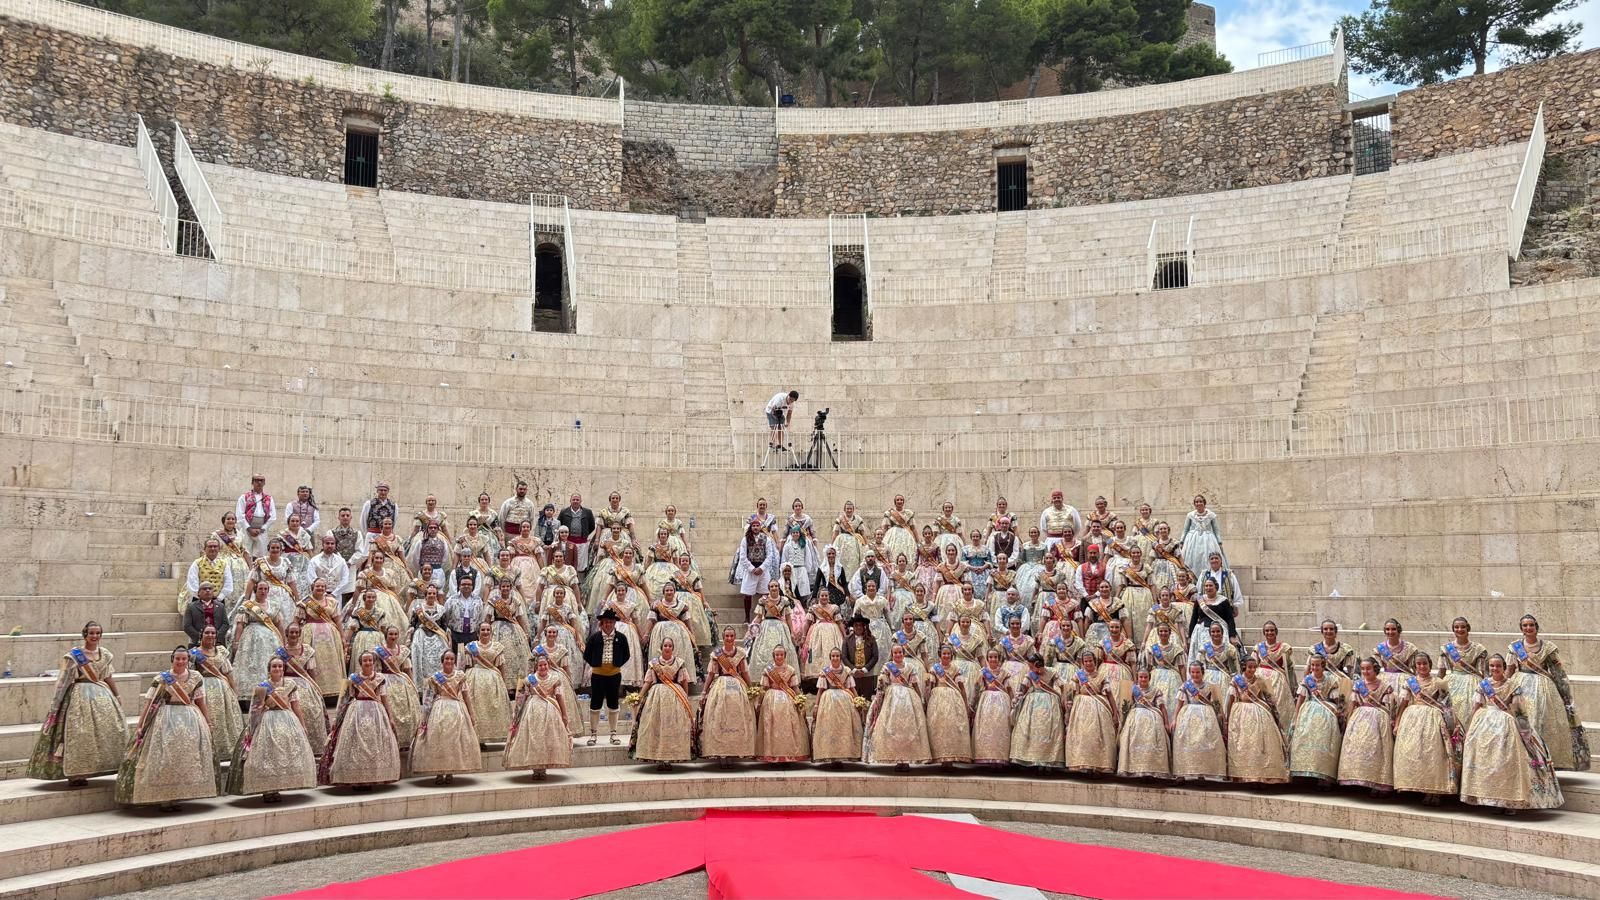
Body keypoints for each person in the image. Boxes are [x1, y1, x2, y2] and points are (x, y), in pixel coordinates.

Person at [114, 647, 218, 809]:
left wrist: (208, 722)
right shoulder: (162, 679)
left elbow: (201, 702)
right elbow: (149, 704)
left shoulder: (196, 677)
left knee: (184, 759)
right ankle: (165, 798)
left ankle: (179, 794)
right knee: (166, 758)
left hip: (190, 719)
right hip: (165, 719)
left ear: (188, 660)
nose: (181, 661)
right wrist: (141, 725)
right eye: (178, 658)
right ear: (172, 659)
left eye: (184, 659)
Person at [1459, 654, 1564, 811]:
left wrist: (1526, 733)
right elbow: (1476, 707)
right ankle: (1491, 798)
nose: (1495, 669)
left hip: (1507, 725)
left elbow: (1519, 711)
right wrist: (1470, 729)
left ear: (1504, 667)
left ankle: (1511, 802)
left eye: (1498, 666)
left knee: (1506, 762)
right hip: (1484, 723)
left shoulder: (1513, 685)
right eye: (1492, 666)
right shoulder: (1483, 685)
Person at [28, 621, 128, 784]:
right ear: (85, 635)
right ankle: (76, 774)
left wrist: (117, 694)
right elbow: (63, 680)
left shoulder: (106, 655)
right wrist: (56, 703)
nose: (94, 636)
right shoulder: (75, 655)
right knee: (80, 735)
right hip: (78, 697)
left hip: (103, 696)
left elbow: (108, 676)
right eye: (91, 633)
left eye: (98, 633)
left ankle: (98, 768)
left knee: (108, 732)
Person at [227, 656, 317, 802]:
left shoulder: (290, 684)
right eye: (274, 666)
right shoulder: (262, 687)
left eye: (280, 666)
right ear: (269, 670)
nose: (277, 669)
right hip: (266, 721)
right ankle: (268, 790)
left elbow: (296, 706)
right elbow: (255, 710)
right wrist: (252, 727)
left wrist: (303, 725)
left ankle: (280, 785)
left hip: (288, 720)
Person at [1509, 613, 1590, 771]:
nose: (1528, 628)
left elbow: (1558, 673)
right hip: (1520, 686)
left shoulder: (1548, 647)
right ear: (1521, 629)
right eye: (1525, 625)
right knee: (1523, 723)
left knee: (1542, 723)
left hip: (1544, 689)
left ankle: (1542, 762)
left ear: (1536, 627)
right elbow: (1509, 672)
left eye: (1531, 625)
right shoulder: (1514, 648)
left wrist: (1566, 695)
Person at [320, 650, 402, 789]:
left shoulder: (380, 678)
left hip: (376, 712)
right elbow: (345, 698)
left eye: (370, 660)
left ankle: (373, 777)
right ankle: (356, 778)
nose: (368, 663)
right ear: (360, 663)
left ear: (374, 662)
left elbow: (384, 699)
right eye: (365, 660)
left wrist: (390, 717)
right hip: (356, 712)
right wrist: (338, 718)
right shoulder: (353, 678)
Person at [1392, 653, 1457, 803]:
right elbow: (1403, 704)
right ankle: (1419, 787)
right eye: (1418, 664)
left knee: (1434, 755)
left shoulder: (1440, 683)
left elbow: (1447, 706)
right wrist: (1398, 722)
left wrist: (1450, 725)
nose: (1422, 667)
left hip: (1433, 720)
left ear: (1430, 664)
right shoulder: (1410, 683)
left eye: (1424, 664)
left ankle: (1435, 790)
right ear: (1415, 666)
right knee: (1416, 754)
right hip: (1412, 720)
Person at [410, 650, 482, 784]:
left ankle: (450, 771)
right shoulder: (435, 678)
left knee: (453, 743)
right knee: (439, 742)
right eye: (446, 659)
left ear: (454, 661)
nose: (449, 661)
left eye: (451, 659)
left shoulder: (460, 676)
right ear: (442, 661)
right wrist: (424, 717)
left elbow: (466, 696)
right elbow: (428, 699)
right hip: (439, 710)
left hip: (457, 710)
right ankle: (439, 772)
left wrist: (472, 714)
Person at [630, 638, 695, 769]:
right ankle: (659, 758)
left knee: (672, 727)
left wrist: (685, 698)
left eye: (670, 645)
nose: (667, 647)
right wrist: (639, 696)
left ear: (673, 648)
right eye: (665, 645)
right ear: (661, 647)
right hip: (656, 697)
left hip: (676, 697)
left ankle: (670, 758)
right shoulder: (654, 664)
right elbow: (648, 682)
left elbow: (684, 682)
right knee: (656, 726)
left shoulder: (679, 663)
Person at [505, 656, 572, 780]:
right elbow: (520, 698)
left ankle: (543, 767)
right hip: (532, 711)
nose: (543, 667)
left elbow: (559, 697)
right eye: (540, 665)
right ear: (536, 666)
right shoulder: (529, 679)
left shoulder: (555, 679)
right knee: (534, 739)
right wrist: (517, 713)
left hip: (550, 711)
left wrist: (564, 714)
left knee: (546, 739)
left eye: (545, 665)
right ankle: (536, 769)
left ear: (548, 665)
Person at [864, 644, 931, 769]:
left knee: (907, 729)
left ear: (903, 653)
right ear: (892, 654)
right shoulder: (887, 666)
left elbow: (915, 685)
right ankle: (895, 758)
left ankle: (905, 759)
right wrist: (882, 680)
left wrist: (920, 699)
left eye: (900, 652)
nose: (898, 655)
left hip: (908, 699)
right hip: (891, 698)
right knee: (891, 728)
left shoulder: (910, 667)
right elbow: (883, 679)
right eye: (895, 653)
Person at [1337, 657, 1396, 793]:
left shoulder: (1385, 686)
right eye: (1363, 669)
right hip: (1360, 718)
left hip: (1379, 719)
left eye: (1368, 668)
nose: (1365, 671)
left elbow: (1390, 706)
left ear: (1375, 669)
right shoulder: (1358, 685)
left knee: (1377, 750)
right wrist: (1348, 719)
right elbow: (1353, 703)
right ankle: (1360, 778)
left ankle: (1378, 782)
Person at [1227, 656, 1289, 784]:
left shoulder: (1261, 680)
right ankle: (1244, 775)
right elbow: (1231, 698)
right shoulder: (1236, 680)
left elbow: (1269, 698)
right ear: (1244, 667)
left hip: (1259, 713)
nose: (1252, 669)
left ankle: (1261, 775)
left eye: (1254, 667)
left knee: (1260, 743)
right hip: (1241, 712)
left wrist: (1274, 712)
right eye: (1250, 667)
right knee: (1244, 743)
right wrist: (1228, 716)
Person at [699, 626, 757, 763]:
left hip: (738, 687)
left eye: (732, 636)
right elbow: (711, 675)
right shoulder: (716, 654)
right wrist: (703, 692)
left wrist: (751, 689)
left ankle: (733, 753)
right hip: (720, 687)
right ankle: (721, 754)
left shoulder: (741, 654)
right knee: (719, 717)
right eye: (727, 636)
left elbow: (745, 673)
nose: (729, 639)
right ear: (723, 638)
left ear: (735, 637)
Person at [190, 629, 243, 767]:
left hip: (222, 690)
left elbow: (228, 673)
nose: (210, 635)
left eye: (213, 633)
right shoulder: (194, 653)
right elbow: (191, 675)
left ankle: (223, 751)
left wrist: (234, 692)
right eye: (207, 633)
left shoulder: (221, 652)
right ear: (201, 635)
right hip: (203, 690)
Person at [1288, 655, 1344, 784]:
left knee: (1323, 738)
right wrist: (1296, 716)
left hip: (1326, 711)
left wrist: (1340, 710)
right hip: (1309, 710)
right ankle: (1305, 771)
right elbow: (1300, 699)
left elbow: (1335, 699)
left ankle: (1323, 775)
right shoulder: (1307, 680)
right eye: (1312, 665)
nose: (1314, 667)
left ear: (1323, 666)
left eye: (1317, 665)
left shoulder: (1331, 680)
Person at [1065, 649, 1119, 774]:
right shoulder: (1078, 675)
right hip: (1081, 707)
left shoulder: (1102, 676)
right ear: (1083, 663)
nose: (1088, 664)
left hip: (1098, 707)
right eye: (1086, 661)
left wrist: (1115, 712)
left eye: (1090, 661)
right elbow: (1072, 692)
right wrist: (1068, 707)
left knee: (1097, 737)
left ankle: (1098, 767)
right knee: (1084, 735)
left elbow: (1109, 695)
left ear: (1095, 662)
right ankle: (1084, 765)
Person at [1172, 660, 1227, 782]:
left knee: (1203, 743)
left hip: (1206, 716)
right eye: (1192, 672)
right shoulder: (1185, 686)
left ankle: (1202, 773)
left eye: (1197, 672)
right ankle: (1182, 772)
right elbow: (1179, 704)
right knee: (1185, 743)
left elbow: (1217, 705)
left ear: (1202, 672)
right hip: (1188, 715)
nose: (1195, 675)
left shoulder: (1210, 686)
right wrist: (1174, 719)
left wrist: (1222, 719)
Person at [583, 608, 632, 746]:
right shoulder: (594, 638)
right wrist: (596, 664)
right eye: (605, 622)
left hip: (614, 675)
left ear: (614, 623)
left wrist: (616, 664)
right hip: (597, 675)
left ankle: (613, 734)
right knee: (595, 704)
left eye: (610, 622)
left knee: (613, 703)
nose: (608, 624)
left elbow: (626, 655)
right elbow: (586, 654)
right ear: (601, 624)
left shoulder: (621, 638)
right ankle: (593, 734)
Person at [1009, 653, 1065, 769]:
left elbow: (1062, 685)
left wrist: (1064, 699)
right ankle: (1034, 759)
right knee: (1032, 729)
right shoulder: (1030, 674)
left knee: (1048, 731)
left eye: (1031, 666)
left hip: (1050, 703)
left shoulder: (1052, 672)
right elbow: (1022, 688)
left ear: (1037, 664)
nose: (1030, 669)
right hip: (1033, 702)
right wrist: (1016, 699)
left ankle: (1048, 762)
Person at [755, 646, 810, 763]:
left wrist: (800, 700)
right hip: (771, 700)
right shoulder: (768, 670)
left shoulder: (790, 670)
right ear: (773, 656)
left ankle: (788, 755)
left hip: (788, 699)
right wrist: (759, 703)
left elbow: (795, 687)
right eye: (777, 655)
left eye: (781, 654)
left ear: (785, 656)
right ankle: (772, 755)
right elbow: (763, 687)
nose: (779, 657)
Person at [462, 621, 512, 744]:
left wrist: (504, 683)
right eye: (483, 630)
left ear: (491, 632)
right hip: (474, 678)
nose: (485, 632)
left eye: (487, 630)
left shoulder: (497, 647)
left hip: (493, 679)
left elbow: (501, 667)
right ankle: (475, 736)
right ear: (478, 632)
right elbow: (466, 666)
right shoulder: (471, 646)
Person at [812, 648, 865, 765]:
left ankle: (844, 754)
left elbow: (852, 688)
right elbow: (820, 690)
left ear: (840, 658)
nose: (835, 658)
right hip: (828, 700)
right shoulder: (825, 671)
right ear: (830, 657)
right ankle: (831, 755)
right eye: (833, 656)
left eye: (837, 656)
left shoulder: (846, 671)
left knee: (844, 726)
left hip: (846, 700)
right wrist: (816, 705)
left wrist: (858, 701)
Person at [1117, 668, 1171, 780]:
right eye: (1141, 677)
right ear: (1137, 678)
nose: (1143, 679)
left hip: (1152, 717)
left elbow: (1162, 707)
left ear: (1149, 678)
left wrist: (1166, 722)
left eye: (1145, 677)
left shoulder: (1156, 691)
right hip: (1135, 716)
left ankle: (1151, 770)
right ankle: (1135, 770)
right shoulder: (1133, 689)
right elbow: (1126, 703)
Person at [1440, 616, 1489, 726]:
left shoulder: (1478, 648)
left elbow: (1483, 671)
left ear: (1468, 628)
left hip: (1472, 682)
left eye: (1463, 627)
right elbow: (1441, 671)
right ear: (1453, 629)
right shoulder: (1446, 649)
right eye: (1456, 627)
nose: (1459, 629)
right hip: (1452, 681)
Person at [181, 538, 236, 616]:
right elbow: (192, 582)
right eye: (210, 546)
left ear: (219, 549)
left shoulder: (224, 564)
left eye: (215, 546)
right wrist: (200, 597)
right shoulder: (197, 563)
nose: (212, 548)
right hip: (199, 601)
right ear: (204, 549)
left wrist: (219, 598)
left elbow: (228, 583)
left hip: (218, 601)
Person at [236, 473, 276, 558]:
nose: (259, 482)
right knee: (245, 553)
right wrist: (249, 528)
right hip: (247, 529)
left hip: (262, 530)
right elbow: (240, 514)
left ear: (264, 483)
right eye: (257, 480)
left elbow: (273, 517)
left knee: (261, 554)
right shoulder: (244, 497)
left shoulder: (269, 498)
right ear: (252, 482)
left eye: (261, 480)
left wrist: (263, 528)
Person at [841, 614, 879, 698]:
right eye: (856, 625)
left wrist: (864, 669)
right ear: (853, 627)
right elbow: (844, 656)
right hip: (852, 675)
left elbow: (875, 656)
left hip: (867, 675)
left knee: (866, 698)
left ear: (864, 626)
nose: (858, 627)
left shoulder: (871, 639)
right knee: (853, 698)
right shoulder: (847, 639)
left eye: (860, 625)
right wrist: (854, 670)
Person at [182, 580, 228, 647]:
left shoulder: (221, 606)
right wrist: (201, 637)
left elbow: (225, 624)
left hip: (218, 642)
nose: (207, 590)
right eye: (204, 589)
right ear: (198, 593)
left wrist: (215, 636)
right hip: (197, 643)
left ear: (213, 593)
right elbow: (187, 626)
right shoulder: (191, 607)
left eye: (210, 589)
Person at [559, 494, 597, 572]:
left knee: (581, 564)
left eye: (577, 500)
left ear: (580, 501)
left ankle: (580, 581)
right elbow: (559, 525)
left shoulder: (587, 512)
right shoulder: (564, 512)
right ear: (570, 501)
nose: (575, 501)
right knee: (568, 561)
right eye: (574, 500)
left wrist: (584, 534)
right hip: (568, 542)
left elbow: (592, 526)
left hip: (582, 542)